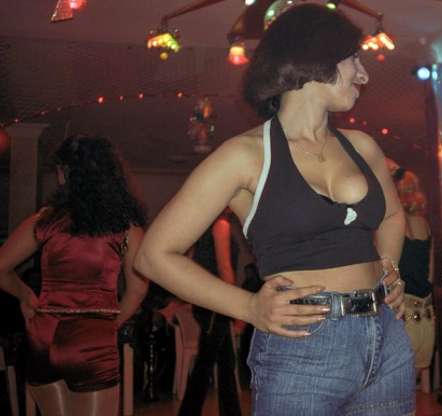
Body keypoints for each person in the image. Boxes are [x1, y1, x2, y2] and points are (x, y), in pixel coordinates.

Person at [135, 4, 413, 415]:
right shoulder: (244, 155)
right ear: (316, 59)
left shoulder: (362, 146)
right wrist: (247, 307)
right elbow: (153, 256)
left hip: (386, 335)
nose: (364, 74)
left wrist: (389, 267)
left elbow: (391, 216)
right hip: (303, 342)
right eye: (354, 59)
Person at [0, 135, 149, 416]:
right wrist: (113, 323)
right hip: (91, 338)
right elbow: (138, 289)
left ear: (64, 173)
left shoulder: (44, 220)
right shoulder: (126, 227)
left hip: (43, 335)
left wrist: (25, 295)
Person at [177, 212, 242, 416]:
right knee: (209, 365)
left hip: (208, 303)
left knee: (222, 363)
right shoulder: (220, 225)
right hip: (216, 304)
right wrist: (238, 309)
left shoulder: (204, 226)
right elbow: (225, 269)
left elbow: (190, 263)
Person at [395, 170, 435, 389]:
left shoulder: (392, 226)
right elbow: (430, 273)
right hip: (426, 312)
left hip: (403, 312)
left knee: (398, 384)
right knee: (411, 381)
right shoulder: (424, 224)